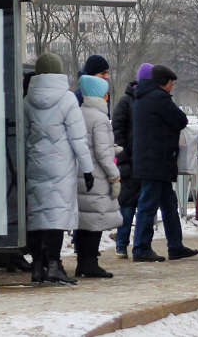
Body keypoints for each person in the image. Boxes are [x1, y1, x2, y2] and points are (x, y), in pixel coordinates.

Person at [24, 52, 95, 285]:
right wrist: (87, 168)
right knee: (55, 215)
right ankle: (54, 265)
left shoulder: (27, 100)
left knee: (36, 215)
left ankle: (37, 267)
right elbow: (78, 138)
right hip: (61, 167)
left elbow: (23, 138)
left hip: (34, 165)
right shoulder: (67, 100)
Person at [131, 65, 198, 262]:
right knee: (148, 204)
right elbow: (181, 120)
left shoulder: (141, 98)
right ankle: (141, 248)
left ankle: (175, 245)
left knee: (168, 203)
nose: (172, 88)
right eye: (171, 83)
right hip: (157, 161)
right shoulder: (159, 98)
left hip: (150, 160)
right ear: (164, 83)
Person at [73, 74, 123, 278]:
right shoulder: (100, 119)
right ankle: (91, 263)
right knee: (96, 221)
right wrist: (114, 176)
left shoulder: (79, 113)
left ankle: (82, 263)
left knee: (84, 221)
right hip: (97, 176)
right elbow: (102, 153)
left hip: (80, 174)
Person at [111, 63, 150, 258]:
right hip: (130, 164)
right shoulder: (126, 102)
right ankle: (121, 244)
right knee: (127, 207)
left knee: (140, 206)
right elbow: (117, 134)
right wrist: (123, 161)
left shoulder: (139, 101)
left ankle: (138, 245)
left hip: (143, 163)